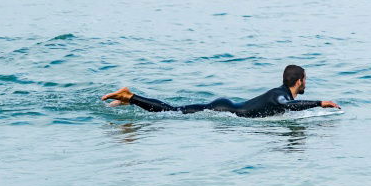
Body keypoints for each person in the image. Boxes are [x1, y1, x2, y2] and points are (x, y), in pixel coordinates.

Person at [101, 64, 340, 118]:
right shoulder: (281, 96)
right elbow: (287, 106)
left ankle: (130, 100)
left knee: (173, 110)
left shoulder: (282, 93)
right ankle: (129, 96)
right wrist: (320, 103)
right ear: (299, 81)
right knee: (171, 112)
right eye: (306, 79)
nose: (307, 83)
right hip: (224, 110)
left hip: (226, 106)